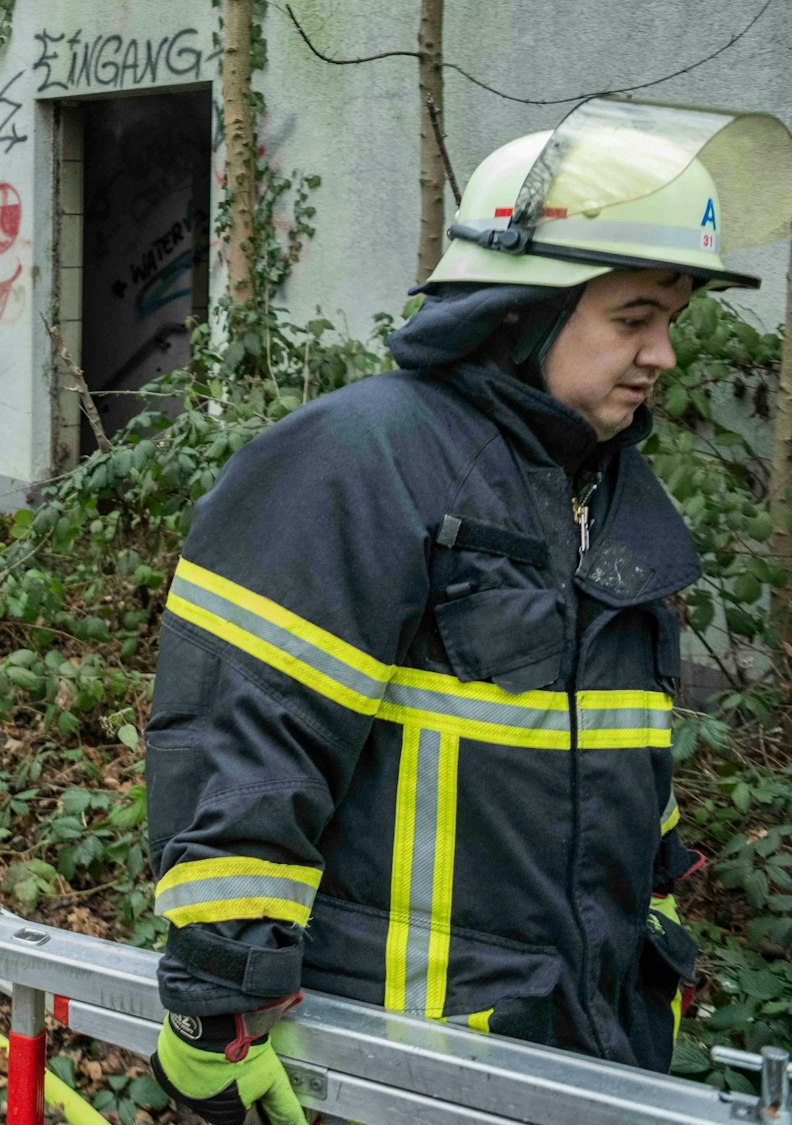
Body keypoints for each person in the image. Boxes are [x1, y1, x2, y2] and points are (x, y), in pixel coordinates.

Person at [143, 98, 792, 1124]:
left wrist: (653, 917)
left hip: (583, 1060)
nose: (662, 356)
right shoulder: (358, 465)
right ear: (518, 308)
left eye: (669, 322)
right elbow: (245, 742)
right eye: (633, 319)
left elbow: (631, 774)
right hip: (387, 1069)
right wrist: (217, 1013)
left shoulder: (614, 498)